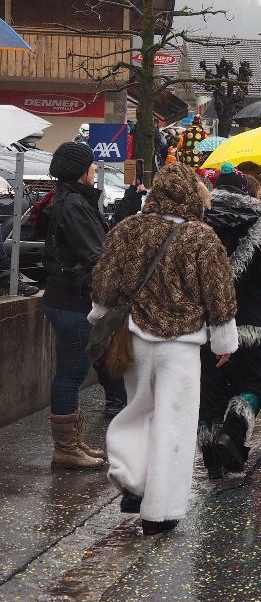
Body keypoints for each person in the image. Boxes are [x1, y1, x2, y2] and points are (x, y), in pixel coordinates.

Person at [90, 163, 237, 535]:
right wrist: (224, 339)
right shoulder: (201, 236)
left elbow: (105, 280)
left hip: (135, 337)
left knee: (137, 410)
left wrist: (101, 317)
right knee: (175, 422)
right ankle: (161, 510)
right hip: (181, 344)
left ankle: (130, 477)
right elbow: (218, 293)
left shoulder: (127, 229)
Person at [41, 142, 126, 468]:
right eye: (91, 166)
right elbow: (93, 256)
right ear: (80, 171)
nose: (95, 171)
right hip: (73, 301)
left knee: (72, 372)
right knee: (70, 374)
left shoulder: (70, 200)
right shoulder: (74, 205)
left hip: (68, 299)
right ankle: (66, 449)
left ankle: (73, 444)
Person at [198, 164, 261, 478]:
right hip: (248, 323)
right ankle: (231, 435)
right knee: (253, 383)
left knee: (210, 390)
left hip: (205, 326)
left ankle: (211, 458)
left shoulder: (199, 221)